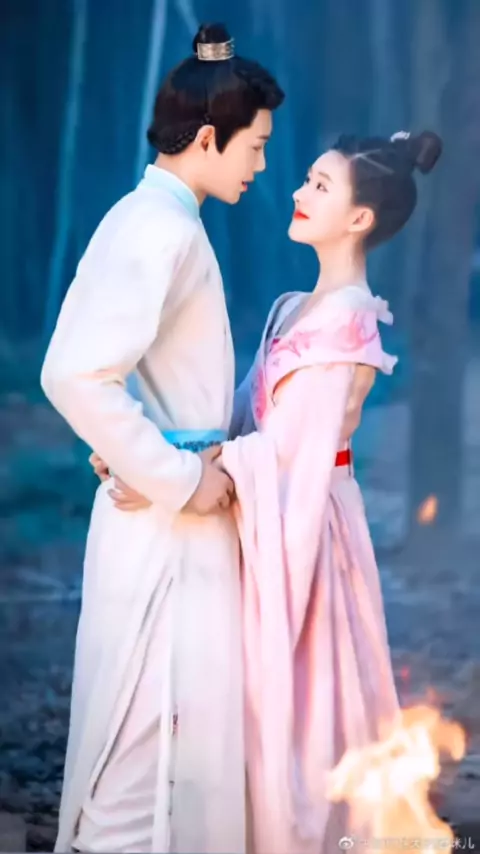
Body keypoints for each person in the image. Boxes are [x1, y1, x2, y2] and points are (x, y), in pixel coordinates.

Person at [108, 129, 442, 853]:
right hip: (271, 504)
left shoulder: (351, 324)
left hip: (309, 527)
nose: (297, 192)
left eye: (320, 186)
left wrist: (176, 473)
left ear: (359, 218)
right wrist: (154, 456)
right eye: (307, 180)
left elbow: (290, 453)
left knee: (305, 709)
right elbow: (238, 416)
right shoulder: (295, 306)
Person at [40, 22, 284, 854]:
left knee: (171, 747)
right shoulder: (160, 228)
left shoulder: (158, 218)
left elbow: (121, 381)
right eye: (255, 146)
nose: (260, 165)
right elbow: (76, 373)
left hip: (174, 512)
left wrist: (138, 450)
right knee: (145, 753)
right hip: (168, 528)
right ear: (208, 137)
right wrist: (177, 475)